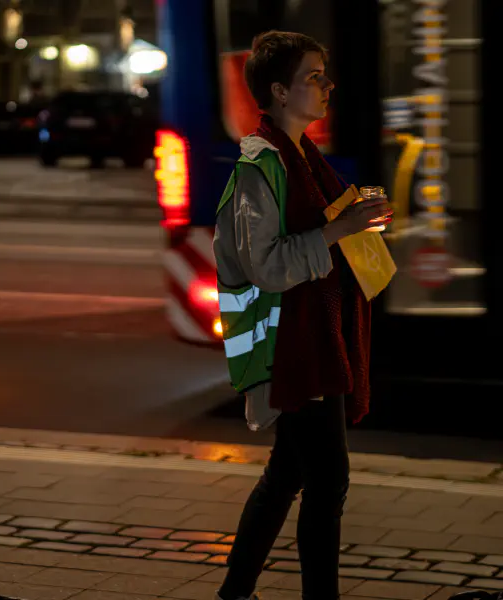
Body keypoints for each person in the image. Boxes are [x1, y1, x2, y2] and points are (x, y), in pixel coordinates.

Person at [212, 31, 393, 600]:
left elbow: (321, 233)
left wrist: (357, 216)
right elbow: (267, 266)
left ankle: (234, 593)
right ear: (277, 91)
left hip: (318, 340)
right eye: (313, 76)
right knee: (327, 481)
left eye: (324, 74)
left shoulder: (308, 160)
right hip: (295, 349)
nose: (326, 85)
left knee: (287, 475)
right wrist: (340, 228)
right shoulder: (258, 170)